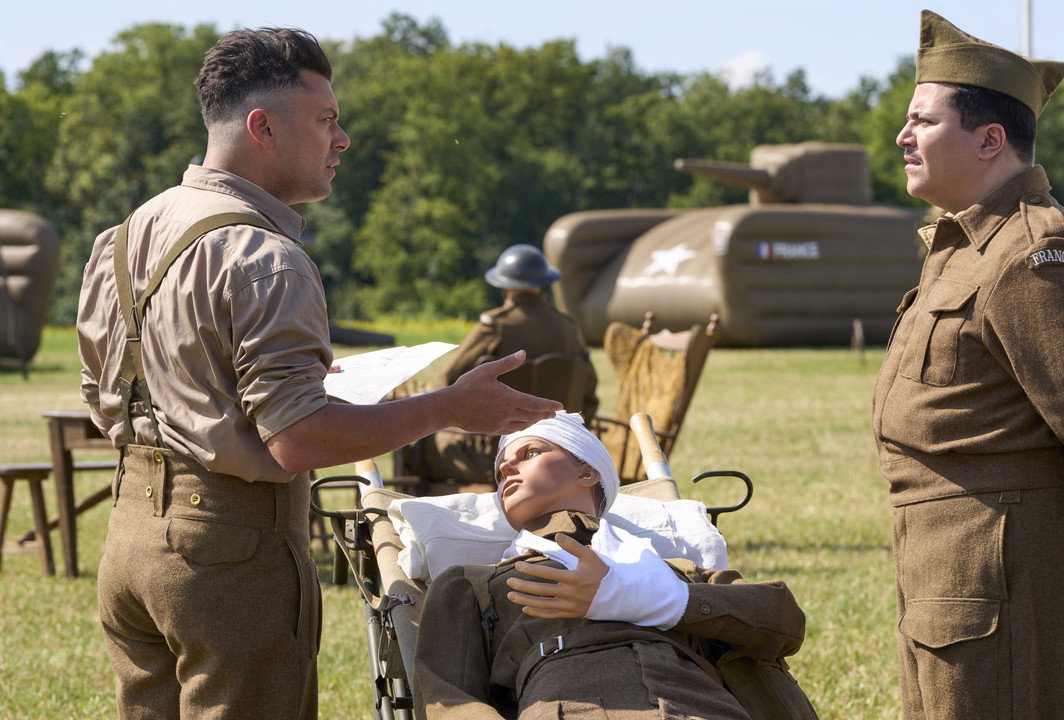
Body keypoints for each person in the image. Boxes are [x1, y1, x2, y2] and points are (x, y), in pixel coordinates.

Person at [76, 28, 559, 720]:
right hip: (228, 549)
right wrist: (448, 408)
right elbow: (298, 442)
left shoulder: (122, 238)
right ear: (263, 127)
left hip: (130, 539)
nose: (344, 139)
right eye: (327, 120)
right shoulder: (264, 257)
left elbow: (106, 393)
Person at [871, 11, 1064, 720]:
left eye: (923, 121)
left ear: (989, 139)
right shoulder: (967, 244)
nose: (903, 137)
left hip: (1000, 568)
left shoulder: (1033, 255)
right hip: (957, 564)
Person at [411, 412, 806, 719]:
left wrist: (650, 599)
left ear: (588, 471)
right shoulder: (472, 583)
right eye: (500, 472)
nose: (508, 470)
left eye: (529, 453)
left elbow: (784, 621)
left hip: (703, 704)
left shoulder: (674, 568)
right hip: (569, 704)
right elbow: (447, 698)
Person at [405, 244, 599, 487]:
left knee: (422, 446)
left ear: (504, 284)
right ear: (543, 283)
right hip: (562, 449)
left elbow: (450, 380)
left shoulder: (495, 325)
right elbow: (589, 392)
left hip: (493, 453)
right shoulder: (568, 327)